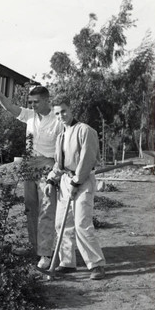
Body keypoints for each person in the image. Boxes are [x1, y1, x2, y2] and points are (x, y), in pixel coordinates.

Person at [0, 78, 64, 269]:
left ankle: (46, 254)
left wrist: (57, 172)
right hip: (29, 164)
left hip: (48, 165)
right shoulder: (29, 115)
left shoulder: (58, 120)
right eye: (30, 102)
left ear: (47, 100)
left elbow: (64, 149)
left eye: (36, 102)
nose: (32, 105)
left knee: (47, 210)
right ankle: (34, 247)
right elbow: (8, 106)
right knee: (31, 208)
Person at [44, 96, 106, 280]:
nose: (61, 115)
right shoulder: (61, 135)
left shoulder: (85, 131)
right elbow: (59, 163)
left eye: (64, 111)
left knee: (81, 224)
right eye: (57, 113)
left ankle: (96, 264)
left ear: (71, 110)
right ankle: (67, 262)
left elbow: (87, 160)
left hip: (83, 181)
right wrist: (51, 179)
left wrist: (76, 183)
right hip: (65, 181)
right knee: (62, 224)